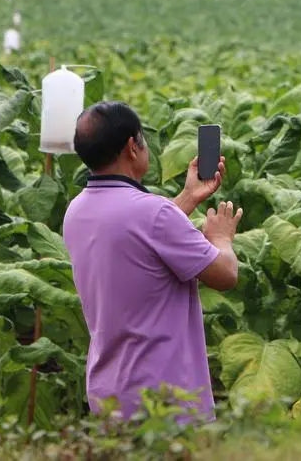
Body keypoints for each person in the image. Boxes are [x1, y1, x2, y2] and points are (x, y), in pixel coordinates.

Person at [62, 101, 243, 422]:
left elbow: (136, 233)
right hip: (165, 398)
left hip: (110, 394)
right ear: (132, 147)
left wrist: (188, 198)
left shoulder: (77, 210)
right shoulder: (154, 214)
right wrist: (222, 239)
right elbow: (225, 274)